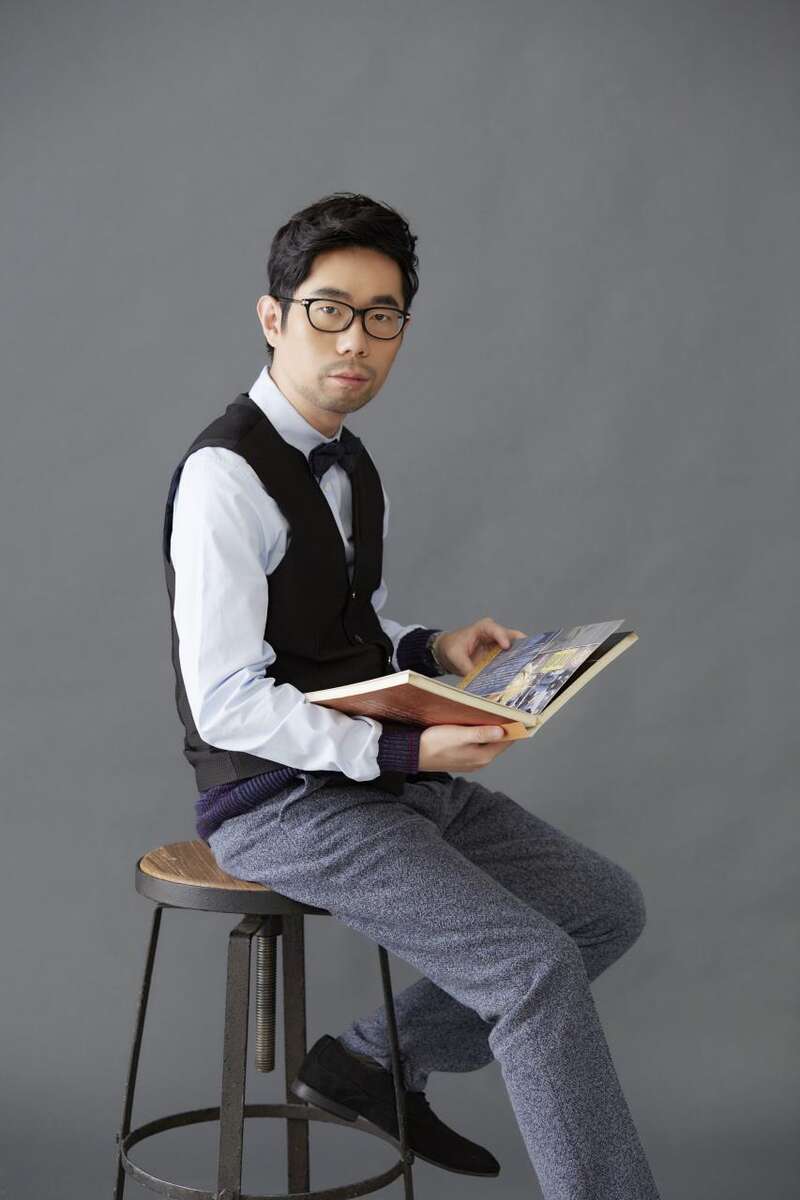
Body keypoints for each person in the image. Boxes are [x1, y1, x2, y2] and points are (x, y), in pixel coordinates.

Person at [163, 192, 661, 1199]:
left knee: (604, 909)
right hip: (279, 805)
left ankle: (373, 1063)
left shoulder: (352, 466)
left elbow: (349, 627)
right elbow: (225, 702)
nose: (356, 339)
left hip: (379, 779)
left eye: (381, 316)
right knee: (531, 968)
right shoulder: (224, 477)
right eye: (329, 310)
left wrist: (435, 648)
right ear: (274, 317)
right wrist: (403, 750)